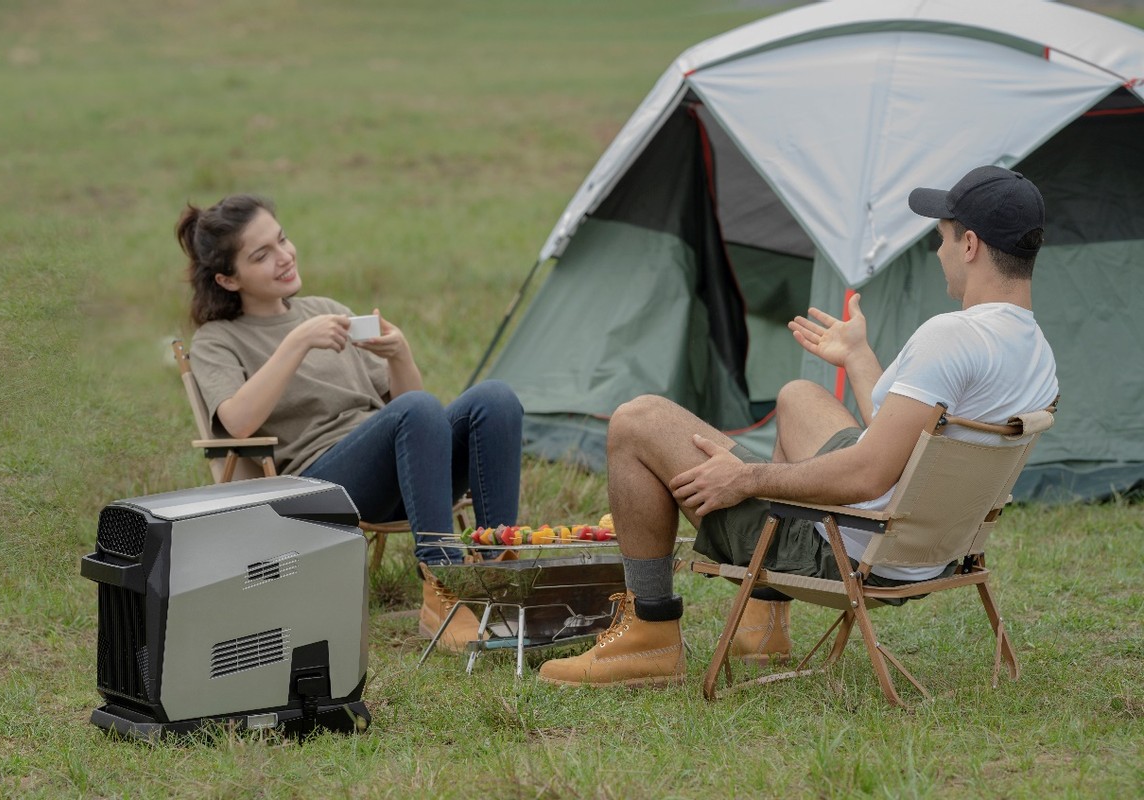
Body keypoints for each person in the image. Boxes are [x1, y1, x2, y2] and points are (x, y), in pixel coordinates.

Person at [538, 165, 1060, 687]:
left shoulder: (951, 337)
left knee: (636, 421)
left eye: (941, 237)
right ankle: (762, 624)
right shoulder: (1037, 355)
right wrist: (857, 356)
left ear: (969, 244)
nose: (937, 250)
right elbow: (908, 442)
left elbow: (869, 475)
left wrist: (746, 478)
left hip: (849, 548)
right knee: (799, 397)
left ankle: (649, 635)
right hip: (930, 548)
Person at [176, 194, 524, 652]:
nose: (284, 256)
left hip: (408, 470)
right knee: (417, 410)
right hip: (321, 486)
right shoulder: (217, 340)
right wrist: (297, 341)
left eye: (282, 240)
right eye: (261, 255)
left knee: (495, 398)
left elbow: (411, 404)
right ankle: (442, 584)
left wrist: (400, 354)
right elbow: (238, 422)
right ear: (228, 278)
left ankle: (502, 576)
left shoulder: (325, 309)